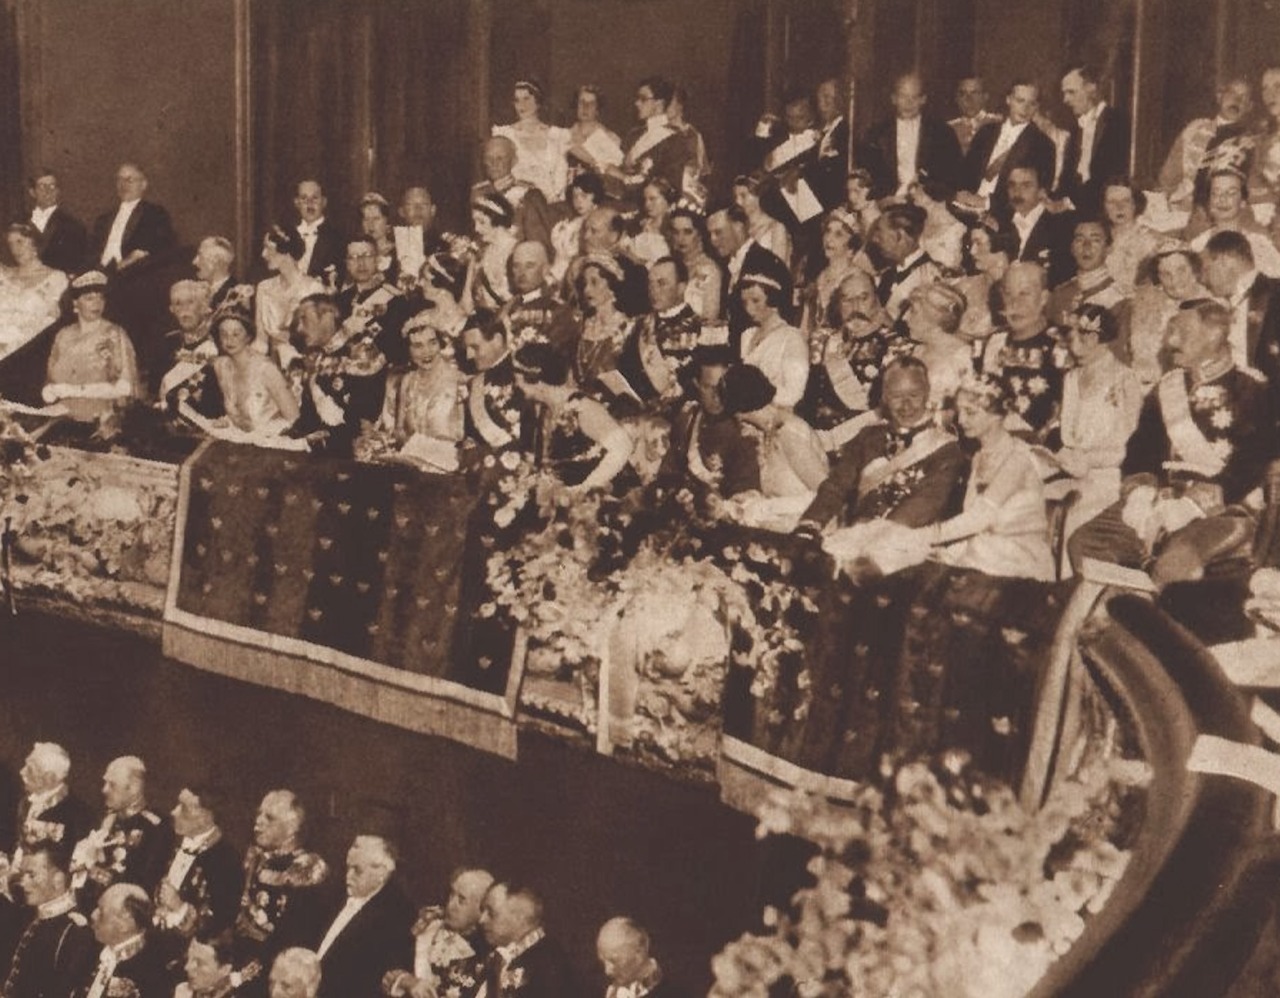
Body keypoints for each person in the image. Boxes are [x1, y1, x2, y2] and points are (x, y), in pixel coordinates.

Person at [1067, 299, 1275, 587]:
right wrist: (1140, 492)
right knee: (1085, 544)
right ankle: (1118, 609)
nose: (1170, 341)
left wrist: (1195, 503)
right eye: (1171, 331)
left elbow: (1255, 457)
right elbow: (1140, 449)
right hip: (1159, 499)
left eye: (1181, 332)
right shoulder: (1167, 387)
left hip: (1224, 509)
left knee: (1174, 564)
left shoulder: (1253, 390)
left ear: (1214, 334)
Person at [909, 372, 1055, 580]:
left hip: (1019, 560)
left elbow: (979, 518)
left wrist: (920, 536)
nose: (961, 420)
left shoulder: (1018, 458)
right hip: (986, 551)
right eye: (960, 411)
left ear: (996, 416)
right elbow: (975, 524)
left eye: (970, 412)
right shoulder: (979, 457)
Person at [796, 357, 965, 533]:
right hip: (856, 535)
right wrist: (810, 524)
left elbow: (926, 504)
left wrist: (869, 536)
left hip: (907, 540)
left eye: (914, 395)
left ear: (927, 393)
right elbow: (836, 486)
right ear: (884, 397)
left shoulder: (946, 449)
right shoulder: (869, 436)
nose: (906, 405)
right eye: (896, 396)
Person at [1042, 304, 1144, 554]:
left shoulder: (1125, 379)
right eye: (1071, 338)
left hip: (1108, 480)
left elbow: (1131, 446)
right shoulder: (1071, 378)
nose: (1074, 346)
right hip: (1073, 475)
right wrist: (1057, 458)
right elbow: (1069, 437)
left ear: (1099, 338)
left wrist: (1088, 460)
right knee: (1030, 506)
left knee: (1071, 520)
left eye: (1083, 337)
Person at [513, 341, 637, 493]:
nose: (516, 384)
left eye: (517, 378)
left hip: (601, 498)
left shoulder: (582, 408)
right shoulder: (545, 408)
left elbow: (623, 447)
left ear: (535, 380)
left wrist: (584, 490)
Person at [233, 792, 329, 985]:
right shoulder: (255, 858)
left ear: (292, 828)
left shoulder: (307, 870)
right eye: (259, 814)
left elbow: (294, 939)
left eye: (269, 817)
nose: (258, 821)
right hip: (239, 963)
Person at [800, 269, 908, 436]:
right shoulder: (821, 341)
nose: (855, 307)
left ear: (877, 301)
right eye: (847, 300)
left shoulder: (896, 346)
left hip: (865, 439)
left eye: (863, 298)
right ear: (838, 305)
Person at [308, 836, 414, 998]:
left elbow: (371, 981)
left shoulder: (396, 916)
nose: (348, 876)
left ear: (381, 874)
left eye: (357, 870)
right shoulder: (333, 894)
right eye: (348, 868)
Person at [358, 309, 465, 470]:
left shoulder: (458, 379)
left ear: (440, 344)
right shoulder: (407, 380)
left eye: (432, 343)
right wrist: (379, 439)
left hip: (449, 466)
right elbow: (399, 431)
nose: (427, 352)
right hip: (413, 464)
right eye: (417, 346)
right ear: (408, 350)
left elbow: (463, 441)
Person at [287, 293, 388, 455]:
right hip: (324, 448)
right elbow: (308, 418)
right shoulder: (317, 357)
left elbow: (364, 422)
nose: (299, 328)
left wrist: (319, 441)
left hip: (356, 451)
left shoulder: (361, 352)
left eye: (304, 319)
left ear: (328, 317)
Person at [176, 307, 300, 439]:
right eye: (223, 334)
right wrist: (228, 422)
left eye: (236, 334)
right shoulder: (221, 366)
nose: (229, 340)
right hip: (239, 440)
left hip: (272, 441)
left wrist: (262, 435)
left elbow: (295, 419)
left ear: (248, 336)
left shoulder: (266, 369)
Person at [979, 262, 1067, 439]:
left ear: (1043, 298)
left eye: (1024, 293)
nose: (1014, 303)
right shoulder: (995, 342)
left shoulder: (1062, 343)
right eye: (1008, 294)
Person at [718, 363, 828, 504]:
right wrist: (753, 498)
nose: (738, 420)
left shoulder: (789, 432)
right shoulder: (768, 435)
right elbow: (781, 492)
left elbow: (826, 497)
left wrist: (766, 508)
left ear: (740, 410)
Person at [71, 756, 171, 907]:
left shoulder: (156, 828)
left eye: (112, 785)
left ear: (133, 788)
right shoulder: (101, 820)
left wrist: (94, 872)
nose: (104, 790)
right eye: (105, 783)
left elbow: (144, 885)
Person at [151, 784, 243, 949]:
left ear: (205, 818)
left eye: (183, 808)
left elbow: (221, 923)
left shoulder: (226, 860)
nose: (174, 812)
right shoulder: (169, 840)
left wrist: (180, 907)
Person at [42, 271, 141, 422]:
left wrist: (74, 391)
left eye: (100, 297)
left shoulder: (114, 334)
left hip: (104, 421)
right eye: (89, 298)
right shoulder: (63, 336)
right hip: (63, 419)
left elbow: (125, 387)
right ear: (75, 303)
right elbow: (50, 384)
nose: (97, 304)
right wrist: (49, 392)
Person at [381, 868, 494, 998]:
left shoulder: (490, 953)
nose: (450, 905)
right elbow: (386, 968)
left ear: (482, 909)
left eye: (461, 900)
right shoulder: (426, 929)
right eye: (451, 894)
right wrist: (408, 981)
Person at [5, 841, 97, 998]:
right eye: (22, 874)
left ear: (58, 879)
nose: (23, 883)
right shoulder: (26, 914)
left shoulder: (74, 932)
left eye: (31, 875)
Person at [856, 72, 963, 200]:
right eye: (903, 96)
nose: (909, 103)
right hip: (887, 202)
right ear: (894, 99)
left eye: (914, 97)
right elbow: (867, 176)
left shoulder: (942, 133)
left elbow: (951, 176)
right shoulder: (876, 134)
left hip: (928, 202)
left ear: (923, 99)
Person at [1201, 229, 1280, 403]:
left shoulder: (1276, 294)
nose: (1203, 281)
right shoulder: (1221, 307)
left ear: (1224, 261)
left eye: (1206, 270)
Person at [956, 80, 1055, 217]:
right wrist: (962, 194)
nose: (1025, 109)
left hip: (1004, 216)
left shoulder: (1043, 145)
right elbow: (966, 173)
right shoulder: (986, 132)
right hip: (965, 208)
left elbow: (1035, 196)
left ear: (1037, 107)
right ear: (1008, 100)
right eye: (1020, 101)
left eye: (1031, 103)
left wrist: (987, 203)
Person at [613, 255, 702, 406]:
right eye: (651, 284)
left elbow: (693, 385)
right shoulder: (638, 325)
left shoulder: (699, 329)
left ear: (681, 288)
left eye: (662, 283)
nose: (653, 291)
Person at [1158, 77, 1254, 213]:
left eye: (1244, 97)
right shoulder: (1195, 129)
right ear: (1219, 96)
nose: (1237, 100)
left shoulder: (1251, 143)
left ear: (1249, 107)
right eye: (1232, 93)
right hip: (1181, 210)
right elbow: (1168, 177)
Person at [476, 882, 577, 998]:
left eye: (491, 913)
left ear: (520, 917)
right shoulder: (489, 957)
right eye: (483, 911)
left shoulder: (550, 966)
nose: (481, 920)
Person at [1127, 247, 1209, 389]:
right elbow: (1142, 359)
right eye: (1166, 274)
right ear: (1158, 279)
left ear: (1194, 271)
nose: (1174, 280)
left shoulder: (1211, 306)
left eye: (1181, 271)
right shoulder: (1147, 309)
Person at [705, 204, 789, 339]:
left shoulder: (765, 263)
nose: (713, 240)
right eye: (710, 234)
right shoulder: (728, 266)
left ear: (738, 227)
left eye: (718, 232)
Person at [1058, 65, 1131, 213]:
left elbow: (1109, 175)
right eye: (1064, 93)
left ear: (1091, 88)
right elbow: (1067, 176)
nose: (1065, 100)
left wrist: (1069, 202)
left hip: (1103, 207)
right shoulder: (1076, 128)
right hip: (1076, 207)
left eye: (1071, 92)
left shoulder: (1117, 121)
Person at [461, 312, 532, 462]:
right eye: (467, 348)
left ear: (497, 341)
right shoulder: (475, 383)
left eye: (474, 347)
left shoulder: (526, 373)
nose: (469, 356)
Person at [608, 76, 691, 204]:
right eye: (637, 98)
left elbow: (668, 187)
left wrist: (623, 177)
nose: (637, 103)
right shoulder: (633, 134)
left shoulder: (675, 140)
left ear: (659, 104)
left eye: (643, 99)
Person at [76, 884, 168, 998]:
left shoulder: (150, 973)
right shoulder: (88, 949)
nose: (93, 915)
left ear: (124, 925)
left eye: (101, 912)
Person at [9, 742, 92, 866]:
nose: (22, 772)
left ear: (50, 778)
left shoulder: (77, 812)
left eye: (30, 769)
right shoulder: (25, 803)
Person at [335, 236, 413, 368]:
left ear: (377, 260)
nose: (361, 263)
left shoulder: (396, 300)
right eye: (353, 257)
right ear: (347, 264)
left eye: (367, 256)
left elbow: (398, 350)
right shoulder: (339, 301)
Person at [1187, 168, 1280, 276]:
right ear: (1209, 202)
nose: (1222, 199)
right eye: (1215, 193)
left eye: (1231, 193)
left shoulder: (1259, 245)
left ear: (1243, 202)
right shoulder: (1198, 245)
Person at [493, 78, 572, 204]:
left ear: (538, 101)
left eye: (526, 99)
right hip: (516, 201)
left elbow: (560, 178)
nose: (521, 105)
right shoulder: (504, 134)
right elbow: (498, 174)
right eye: (517, 100)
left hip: (550, 203)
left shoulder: (557, 135)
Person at [255, 225, 325, 366]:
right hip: (271, 364)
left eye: (268, 248)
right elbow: (261, 340)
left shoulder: (313, 288)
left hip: (304, 365)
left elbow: (318, 340)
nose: (263, 254)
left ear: (286, 252)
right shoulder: (264, 287)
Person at [497, 240, 579, 362]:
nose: (521, 273)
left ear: (545, 270)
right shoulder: (508, 307)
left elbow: (557, 356)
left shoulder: (558, 310)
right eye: (516, 266)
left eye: (529, 266)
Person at [737, 270, 807, 410]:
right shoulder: (747, 335)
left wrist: (759, 394)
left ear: (773, 299)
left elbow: (795, 394)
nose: (749, 309)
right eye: (744, 302)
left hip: (777, 416)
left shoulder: (792, 338)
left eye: (756, 301)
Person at [471, 136, 554, 255]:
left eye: (500, 158)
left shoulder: (529, 195)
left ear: (514, 161)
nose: (494, 163)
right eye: (489, 158)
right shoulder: (477, 193)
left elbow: (539, 245)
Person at [89, 162, 176, 274]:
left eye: (129, 180)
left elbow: (161, 250)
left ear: (143, 185)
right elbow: (91, 254)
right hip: (98, 274)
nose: (123, 185)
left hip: (132, 275)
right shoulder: (103, 219)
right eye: (119, 180)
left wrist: (134, 259)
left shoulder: (155, 214)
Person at [997, 164, 1074, 288]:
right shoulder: (1000, 222)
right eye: (1012, 185)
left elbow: (1063, 276)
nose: (1017, 192)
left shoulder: (1060, 226)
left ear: (1041, 192)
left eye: (1026, 186)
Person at [0, 221, 68, 360]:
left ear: (35, 243)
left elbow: (50, 323)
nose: (15, 249)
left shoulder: (55, 278)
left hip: (26, 350)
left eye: (20, 241)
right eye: (11, 244)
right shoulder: (4, 275)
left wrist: (11, 346)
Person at [1045, 216, 1127, 327]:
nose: (1086, 247)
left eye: (1095, 240)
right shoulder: (1059, 295)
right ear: (1072, 248)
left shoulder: (1120, 300)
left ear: (1108, 248)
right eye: (1079, 240)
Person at [574, 254, 638, 392]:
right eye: (585, 283)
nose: (587, 289)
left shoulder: (627, 328)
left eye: (594, 282)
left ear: (611, 284)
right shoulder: (582, 326)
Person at [902, 282, 973, 407]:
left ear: (934, 319)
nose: (905, 317)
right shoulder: (919, 351)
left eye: (913, 311)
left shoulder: (963, 356)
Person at [870, 203, 941, 320]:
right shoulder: (886, 275)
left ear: (900, 236)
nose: (874, 239)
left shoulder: (931, 277)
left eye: (879, 232)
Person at [950, 223, 1018, 344]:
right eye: (971, 244)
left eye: (979, 243)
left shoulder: (1020, 290)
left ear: (1000, 247)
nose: (972, 251)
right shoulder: (965, 287)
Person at [799, 208, 861, 334]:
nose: (829, 239)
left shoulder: (855, 278)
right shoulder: (820, 276)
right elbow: (805, 325)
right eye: (828, 231)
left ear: (851, 248)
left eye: (838, 234)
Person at [596, 917, 685, 998]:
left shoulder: (677, 989)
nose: (607, 971)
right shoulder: (609, 991)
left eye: (614, 961)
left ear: (639, 952)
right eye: (603, 962)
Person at [1101, 178, 1160, 295]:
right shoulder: (1099, 236)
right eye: (1112, 202)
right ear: (1104, 207)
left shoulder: (1148, 240)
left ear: (1135, 204)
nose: (1119, 207)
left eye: (1126, 201)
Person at [667, 207, 723, 323]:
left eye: (687, 232)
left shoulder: (709, 269)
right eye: (676, 232)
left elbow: (710, 317)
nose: (681, 238)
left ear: (699, 234)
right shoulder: (669, 266)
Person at [26, 170, 87, 274]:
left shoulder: (74, 225)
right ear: (32, 192)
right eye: (42, 187)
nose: (48, 191)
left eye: (52, 186)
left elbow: (77, 263)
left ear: (58, 191)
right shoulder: (20, 221)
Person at [551, 173, 604, 283]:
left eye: (584, 196)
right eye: (575, 196)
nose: (578, 201)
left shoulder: (600, 220)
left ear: (595, 195)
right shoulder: (572, 223)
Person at [566, 84, 624, 186]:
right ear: (576, 106)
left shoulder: (611, 138)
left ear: (597, 110)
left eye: (591, 103)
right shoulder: (565, 136)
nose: (586, 107)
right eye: (582, 102)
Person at [471, 192, 519, 311]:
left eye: (482, 222)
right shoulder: (486, 252)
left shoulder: (515, 251)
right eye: (475, 222)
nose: (476, 228)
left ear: (498, 220)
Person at [290, 180, 345, 284]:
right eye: (304, 198)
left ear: (324, 202)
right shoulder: (288, 234)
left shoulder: (338, 238)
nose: (310, 203)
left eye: (315, 198)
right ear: (296, 203)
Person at [732, 173, 791, 267]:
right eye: (736, 197)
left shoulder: (776, 228)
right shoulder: (741, 229)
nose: (738, 202)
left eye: (743, 196)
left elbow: (779, 267)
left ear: (757, 196)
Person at [393, 187, 446, 285]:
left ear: (433, 210)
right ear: (401, 211)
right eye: (410, 205)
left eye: (424, 204)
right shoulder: (392, 248)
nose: (418, 209)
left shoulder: (445, 247)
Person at [948, 76, 1002, 156]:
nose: (969, 99)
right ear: (957, 99)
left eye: (975, 93)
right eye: (963, 94)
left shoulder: (998, 123)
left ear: (985, 97)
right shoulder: (949, 128)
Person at [175, 930, 238, 998]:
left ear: (224, 970)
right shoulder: (183, 992)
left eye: (199, 963)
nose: (187, 967)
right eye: (188, 959)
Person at [632, 178, 676, 266]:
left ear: (666, 200)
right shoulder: (640, 224)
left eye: (652, 199)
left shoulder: (674, 228)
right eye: (645, 200)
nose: (647, 204)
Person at [357, 193, 400, 282]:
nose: (370, 224)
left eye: (376, 219)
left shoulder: (399, 252)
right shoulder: (356, 252)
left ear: (387, 222)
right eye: (366, 219)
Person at [193, 236, 238, 312]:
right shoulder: (198, 291)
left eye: (200, 257)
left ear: (216, 262)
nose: (195, 262)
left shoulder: (235, 294)